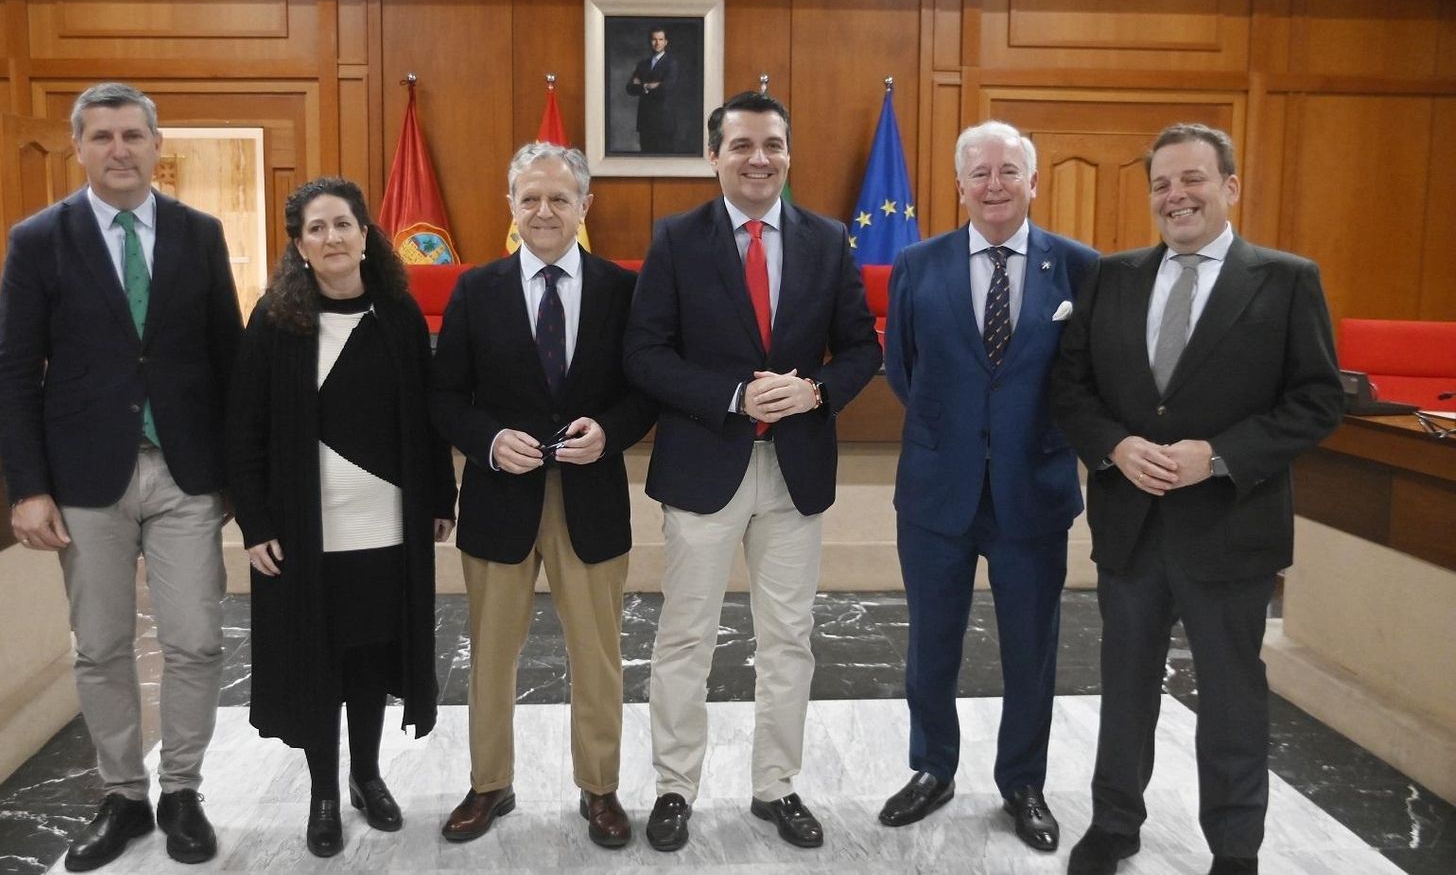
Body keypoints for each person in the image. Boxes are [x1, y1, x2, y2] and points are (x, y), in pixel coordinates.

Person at [1050, 123, 1345, 875]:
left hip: (1230, 530)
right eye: (1161, 184)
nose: (1175, 196)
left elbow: (1315, 402)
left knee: (1231, 702)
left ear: (1230, 187)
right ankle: (1114, 826)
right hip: (1132, 529)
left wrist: (1217, 457)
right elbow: (1072, 389)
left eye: (1193, 180)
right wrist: (1114, 446)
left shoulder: (1285, 280)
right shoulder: (1112, 278)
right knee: (1124, 693)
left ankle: (1235, 848)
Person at [0, 82, 242, 870]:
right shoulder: (39, 239)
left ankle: (183, 791)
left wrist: (238, 479)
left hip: (185, 473)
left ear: (156, 144)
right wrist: (27, 487)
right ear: (79, 147)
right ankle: (124, 796)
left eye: (133, 135)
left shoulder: (199, 234)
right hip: (83, 481)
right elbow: (10, 371)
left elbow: (228, 361)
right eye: (102, 137)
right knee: (99, 647)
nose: (120, 150)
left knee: (196, 641)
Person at [624, 90, 882, 851]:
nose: (758, 158)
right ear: (714, 156)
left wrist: (817, 389)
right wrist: (734, 394)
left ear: (789, 154)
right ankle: (675, 788)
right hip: (707, 465)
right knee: (685, 637)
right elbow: (644, 353)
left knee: (789, 638)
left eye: (772, 144)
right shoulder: (676, 239)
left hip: (796, 469)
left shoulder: (828, 240)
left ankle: (776, 787)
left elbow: (862, 346)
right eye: (741, 145)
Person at [429, 142, 657, 848]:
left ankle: (600, 788)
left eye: (560, 198)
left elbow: (643, 390)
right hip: (501, 499)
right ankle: (489, 783)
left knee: (597, 654)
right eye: (530, 198)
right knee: (490, 654)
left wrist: (611, 432)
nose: (544, 210)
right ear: (511, 207)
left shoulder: (622, 288)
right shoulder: (477, 288)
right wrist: (490, 442)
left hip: (590, 498)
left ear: (584, 206)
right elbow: (445, 396)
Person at [881, 121, 1099, 852]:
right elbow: (903, 370)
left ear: (1034, 182)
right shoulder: (918, 263)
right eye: (980, 173)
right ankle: (932, 768)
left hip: (1032, 490)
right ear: (960, 184)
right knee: (931, 644)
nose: (995, 185)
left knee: (1031, 647)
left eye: (1009, 171)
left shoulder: (1078, 268)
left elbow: (1085, 376)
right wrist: (959, 431)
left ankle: (1023, 784)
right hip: (937, 490)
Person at [224, 177, 457, 858]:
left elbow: (427, 417)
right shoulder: (274, 322)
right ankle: (324, 792)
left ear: (365, 234)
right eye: (316, 229)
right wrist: (256, 522)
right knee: (318, 660)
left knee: (369, 655)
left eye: (343, 225)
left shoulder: (400, 316)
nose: (331, 238)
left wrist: (441, 497)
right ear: (298, 246)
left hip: (386, 523)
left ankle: (366, 775)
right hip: (303, 528)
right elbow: (245, 430)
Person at [626, 26, 679, 153]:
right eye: (654, 39)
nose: (657, 43)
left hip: (663, 122)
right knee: (645, 161)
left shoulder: (671, 63)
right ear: (650, 41)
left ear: (666, 42)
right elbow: (630, 88)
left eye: (660, 39)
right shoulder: (642, 64)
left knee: (664, 163)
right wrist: (648, 86)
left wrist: (642, 85)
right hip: (645, 121)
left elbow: (666, 88)